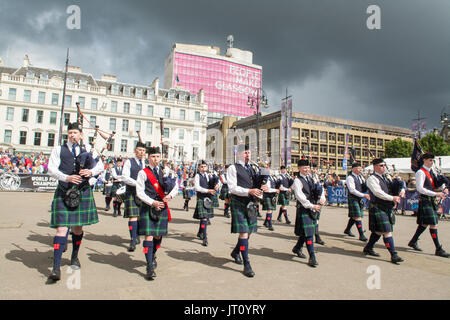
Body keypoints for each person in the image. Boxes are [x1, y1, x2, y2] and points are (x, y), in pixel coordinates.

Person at [47, 122, 104, 281]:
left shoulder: (88, 150)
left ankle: (74, 257)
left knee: (77, 229)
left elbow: (100, 166)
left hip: (82, 191)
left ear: (81, 135)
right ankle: (56, 267)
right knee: (61, 230)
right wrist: (66, 177)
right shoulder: (59, 149)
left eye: (75, 133)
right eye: (70, 132)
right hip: (64, 191)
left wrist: (90, 171)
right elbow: (51, 169)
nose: (72, 135)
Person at [136, 146, 178, 280]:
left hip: (162, 207)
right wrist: (152, 202)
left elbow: (175, 187)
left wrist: (170, 196)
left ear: (161, 157)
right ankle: (149, 266)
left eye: (158, 156)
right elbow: (140, 192)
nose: (156, 159)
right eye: (153, 157)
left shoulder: (166, 171)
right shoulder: (143, 172)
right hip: (149, 206)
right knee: (149, 236)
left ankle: (152, 253)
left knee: (158, 236)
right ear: (148, 158)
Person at [227, 145, 262, 277]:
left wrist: (261, 188)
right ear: (239, 154)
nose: (248, 155)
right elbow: (232, 188)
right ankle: (247, 264)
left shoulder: (253, 168)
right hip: (238, 202)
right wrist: (248, 191)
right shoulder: (233, 168)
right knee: (244, 233)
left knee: (249, 232)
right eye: (245, 153)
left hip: (251, 203)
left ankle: (236, 251)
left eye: (249, 152)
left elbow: (256, 186)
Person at [408, 153, 449, 257]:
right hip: (425, 200)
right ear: (425, 160)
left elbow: (436, 183)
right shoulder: (420, 172)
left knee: (425, 223)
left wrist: (444, 187)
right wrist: (436, 193)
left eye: (432, 160)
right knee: (433, 223)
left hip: (430, 199)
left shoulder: (431, 172)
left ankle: (413, 241)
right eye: (430, 160)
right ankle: (438, 248)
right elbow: (420, 189)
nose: (432, 162)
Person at [363, 158, 404, 264]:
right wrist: (392, 198)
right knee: (387, 231)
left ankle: (368, 247)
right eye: (381, 165)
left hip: (386, 206)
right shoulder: (372, 179)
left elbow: (392, 189)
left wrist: (401, 187)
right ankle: (393, 255)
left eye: (384, 165)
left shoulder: (387, 177)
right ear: (375, 167)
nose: (384, 167)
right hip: (377, 206)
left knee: (379, 231)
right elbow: (378, 193)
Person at [292, 159, 325, 267]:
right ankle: (312, 256)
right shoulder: (297, 180)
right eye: (304, 168)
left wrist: (322, 198)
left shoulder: (312, 177)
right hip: (305, 208)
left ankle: (297, 248)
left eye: (308, 167)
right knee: (309, 233)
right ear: (299, 168)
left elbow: (320, 188)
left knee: (306, 231)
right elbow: (300, 197)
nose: (307, 169)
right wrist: (312, 206)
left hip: (313, 207)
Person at [120, 142, 147, 252]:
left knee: (140, 216)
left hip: (144, 193)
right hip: (132, 192)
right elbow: (125, 177)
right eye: (140, 150)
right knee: (133, 216)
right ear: (135, 150)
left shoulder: (146, 163)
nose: (142, 152)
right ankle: (132, 239)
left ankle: (137, 234)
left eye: (144, 151)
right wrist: (138, 183)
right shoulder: (129, 162)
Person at [193, 160, 217, 246]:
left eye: (205, 166)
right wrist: (208, 190)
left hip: (208, 198)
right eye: (202, 167)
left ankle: (200, 232)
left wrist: (216, 185)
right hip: (201, 197)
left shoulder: (209, 175)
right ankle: (204, 237)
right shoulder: (197, 176)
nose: (203, 168)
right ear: (199, 168)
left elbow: (214, 183)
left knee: (204, 217)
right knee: (204, 218)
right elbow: (197, 188)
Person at [344, 162, 369, 241]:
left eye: (360, 168)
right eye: (358, 168)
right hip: (353, 198)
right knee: (357, 216)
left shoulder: (360, 177)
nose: (360, 170)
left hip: (359, 198)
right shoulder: (350, 178)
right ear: (353, 169)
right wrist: (363, 195)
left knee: (354, 216)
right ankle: (361, 234)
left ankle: (347, 230)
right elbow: (352, 190)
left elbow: (363, 187)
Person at [262, 166, 279, 231]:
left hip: (272, 195)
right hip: (267, 195)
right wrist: (275, 190)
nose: (271, 171)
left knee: (270, 210)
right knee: (269, 210)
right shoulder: (266, 178)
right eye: (270, 170)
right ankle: (270, 224)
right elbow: (266, 189)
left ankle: (266, 222)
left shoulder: (272, 177)